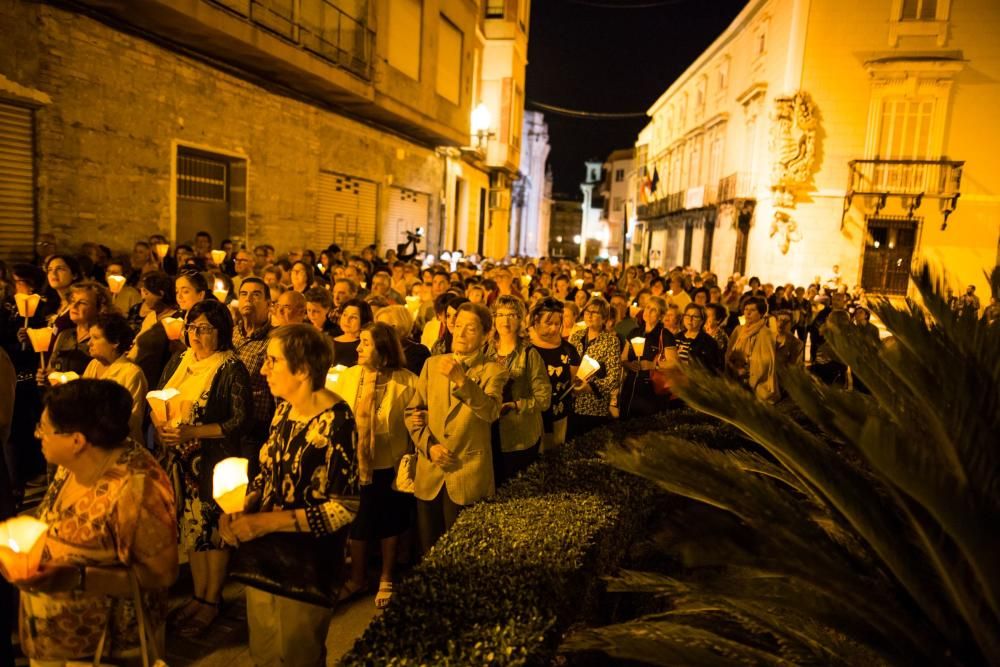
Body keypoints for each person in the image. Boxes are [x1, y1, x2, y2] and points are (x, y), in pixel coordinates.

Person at [5, 380, 177, 663]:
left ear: (77, 440)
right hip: (56, 641)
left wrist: (77, 577)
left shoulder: (136, 488)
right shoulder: (70, 466)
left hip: (104, 649)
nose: (38, 435)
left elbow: (160, 574)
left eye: (44, 430)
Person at [220, 324, 359, 666]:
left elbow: (343, 507)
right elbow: (269, 472)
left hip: (307, 564)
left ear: (302, 369)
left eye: (272, 361)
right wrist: (242, 506)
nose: (263, 368)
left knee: (299, 655)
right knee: (265, 653)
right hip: (264, 556)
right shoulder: (283, 410)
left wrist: (268, 522)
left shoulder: (337, 421)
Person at [155, 299, 250, 637]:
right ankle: (198, 594)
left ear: (221, 332)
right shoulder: (179, 362)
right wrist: (165, 431)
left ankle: (212, 599)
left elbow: (239, 420)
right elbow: (160, 398)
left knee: (213, 531)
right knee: (192, 529)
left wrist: (193, 432)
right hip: (182, 461)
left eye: (205, 328)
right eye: (192, 327)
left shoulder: (229, 367)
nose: (196, 334)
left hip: (214, 461)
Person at [405, 302, 507, 552]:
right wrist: (430, 448)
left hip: (466, 472)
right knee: (428, 548)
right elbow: (412, 412)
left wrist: (462, 380)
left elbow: (491, 412)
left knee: (461, 551)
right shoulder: (433, 364)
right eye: (457, 326)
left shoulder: (493, 371)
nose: (460, 334)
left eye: (470, 329)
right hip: (430, 472)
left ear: (485, 335)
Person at [332, 322, 417, 609]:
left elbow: (415, 420)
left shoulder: (406, 381)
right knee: (358, 520)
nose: (358, 348)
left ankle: (386, 576)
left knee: (389, 519)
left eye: (365, 343)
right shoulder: (349, 377)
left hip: (389, 464)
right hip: (356, 463)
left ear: (383, 348)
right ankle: (357, 577)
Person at [487, 295, 551, 485]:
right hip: (489, 433)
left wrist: (516, 405)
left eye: (512, 315)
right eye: (500, 314)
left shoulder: (530, 354)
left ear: (521, 319)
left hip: (519, 435)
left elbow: (544, 398)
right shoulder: (486, 351)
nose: (505, 321)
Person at [231, 277, 276, 479]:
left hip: (254, 428)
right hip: (224, 423)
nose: (248, 299)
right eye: (243, 294)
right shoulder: (230, 335)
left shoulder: (274, 341)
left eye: (256, 295)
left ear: (269, 304)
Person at [82, 312, 147, 443]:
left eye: (95, 338)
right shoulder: (93, 365)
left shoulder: (131, 373)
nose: (89, 343)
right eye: (90, 338)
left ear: (115, 342)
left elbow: (131, 421)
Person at [527, 297, 580, 452]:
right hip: (531, 414)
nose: (554, 329)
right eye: (548, 323)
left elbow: (573, 381)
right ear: (536, 321)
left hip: (559, 413)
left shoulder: (568, 350)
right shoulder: (525, 348)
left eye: (557, 324)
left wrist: (579, 386)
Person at [38, 280, 113, 385]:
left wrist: (73, 379)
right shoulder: (65, 334)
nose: (74, 306)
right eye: (72, 301)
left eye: (82, 302)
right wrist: (46, 376)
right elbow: (51, 367)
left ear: (100, 308)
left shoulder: (103, 338)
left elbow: (107, 377)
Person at [569, 296, 623, 434]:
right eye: (587, 311)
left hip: (593, 407)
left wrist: (589, 388)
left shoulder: (611, 341)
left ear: (604, 318)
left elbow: (613, 378)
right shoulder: (576, 336)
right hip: (571, 404)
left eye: (595, 312)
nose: (590, 315)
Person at [127, 271, 181, 390]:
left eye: (147, 292)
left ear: (160, 293)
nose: (143, 297)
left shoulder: (175, 320)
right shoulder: (151, 316)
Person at [620, 296, 671, 418]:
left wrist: (653, 365)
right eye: (648, 307)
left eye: (654, 310)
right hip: (631, 388)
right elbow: (623, 358)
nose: (648, 312)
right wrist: (629, 365)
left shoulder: (664, 335)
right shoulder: (634, 332)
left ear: (661, 316)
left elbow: (674, 363)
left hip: (651, 391)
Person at [725, 297, 779, 403]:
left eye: (753, 310)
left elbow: (765, 363)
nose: (748, 313)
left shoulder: (766, 333)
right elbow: (729, 353)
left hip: (754, 384)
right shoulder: (739, 330)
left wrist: (746, 372)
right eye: (746, 309)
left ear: (761, 313)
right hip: (735, 378)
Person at [375, 304, 430, 376]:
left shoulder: (418, 353)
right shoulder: (377, 350)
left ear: (397, 326)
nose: (376, 331)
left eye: (381, 327)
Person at [673, 304, 724, 373]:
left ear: (702, 321)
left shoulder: (708, 342)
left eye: (695, 317)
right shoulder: (676, 337)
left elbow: (713, 369)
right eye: (687, 315)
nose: (690, 319)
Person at [331, 298, 373, 367]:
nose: (347, 320)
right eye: (345, 315)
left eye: (353, 317)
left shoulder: (363, 345)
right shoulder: (330, 341)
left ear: (363, 320)